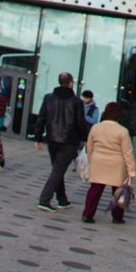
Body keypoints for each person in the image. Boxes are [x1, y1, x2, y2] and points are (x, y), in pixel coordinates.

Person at [36, 71, 88, 210]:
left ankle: (62, 199)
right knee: (58, 170)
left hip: (52, 138)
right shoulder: (76, 102)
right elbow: (80, 123)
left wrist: (38, 137)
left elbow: (41, 117)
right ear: (71, 83)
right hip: (69, 141)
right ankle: (44, 199)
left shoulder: (49, 98)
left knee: (57, 169)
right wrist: (86, 138)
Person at [81, 101, 136, 223]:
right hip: (117, 164)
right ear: (118, 115)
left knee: (95, 190)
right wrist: (131, 170)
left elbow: (89, 147)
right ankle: (117, 217)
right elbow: (127, 152)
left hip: (98, 160)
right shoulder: (122, 131)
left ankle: (87, 214)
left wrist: (91, 160)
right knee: (118, 191)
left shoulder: (96, 127)